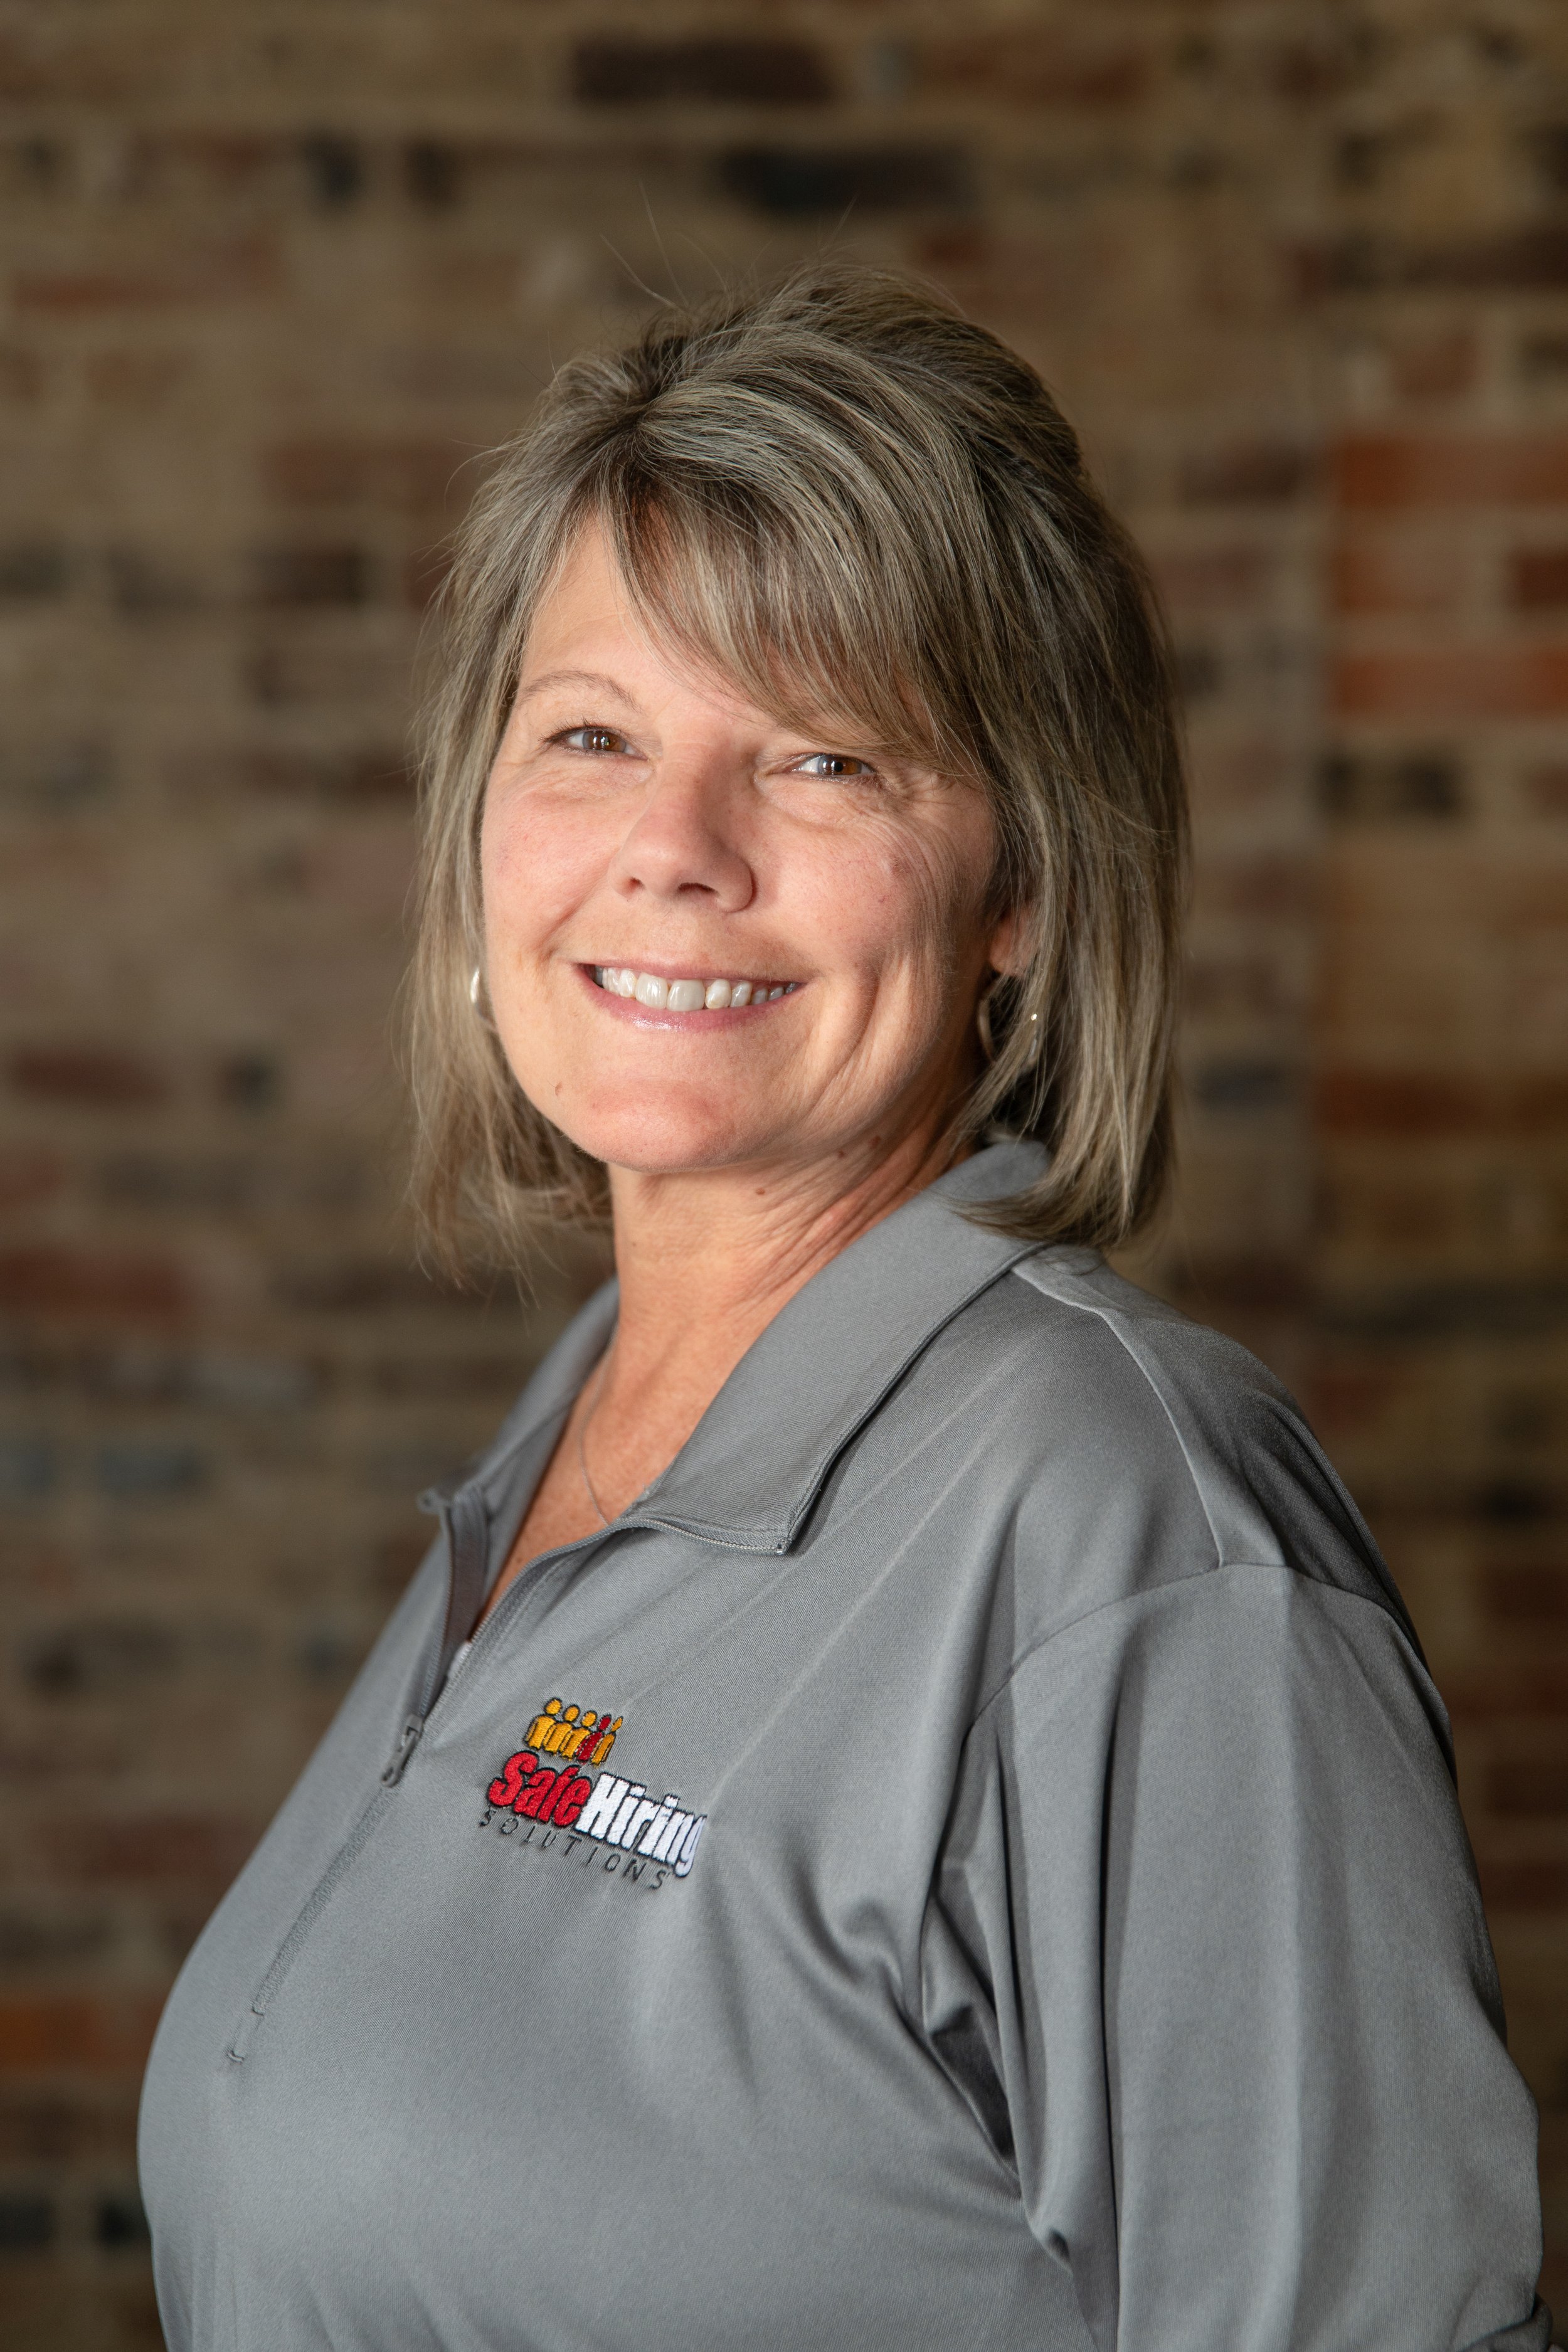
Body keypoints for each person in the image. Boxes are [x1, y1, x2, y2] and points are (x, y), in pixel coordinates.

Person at [138, 267, 1550, 2351]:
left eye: (821, 759)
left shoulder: (1131, 1540)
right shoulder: (579, 1432)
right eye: (594, 736)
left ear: (1021, 896)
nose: (674, 853)